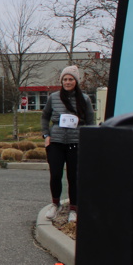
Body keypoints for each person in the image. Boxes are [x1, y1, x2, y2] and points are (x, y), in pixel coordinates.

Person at [40, 65, 95, 224]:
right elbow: (45, 117)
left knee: (73, 177)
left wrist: (88, 140)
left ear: (76, 81)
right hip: (56, 142)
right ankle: (55, 204)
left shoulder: (84, 99)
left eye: (71, 79)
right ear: (61, 81)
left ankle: (73, 209)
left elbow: (90, 121)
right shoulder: (54, 97)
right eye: (65, 79)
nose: (67, 82)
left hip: (75, 142)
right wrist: (46, 135)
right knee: (56, 174)